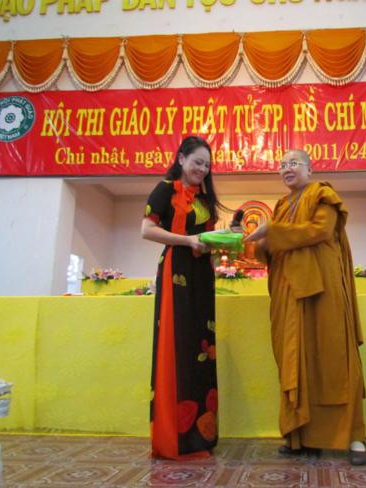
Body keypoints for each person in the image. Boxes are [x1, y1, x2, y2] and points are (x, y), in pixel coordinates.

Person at [244, 149, 366, 465]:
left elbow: (321, 231)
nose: (286, 169)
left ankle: (354, 438)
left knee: (334, 358)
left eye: (293, 164)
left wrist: (271, 232)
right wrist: (256, 243)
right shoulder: (281, 205)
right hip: (288, 291)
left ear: (310, 169)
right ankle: (302, 437)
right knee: (293, 358)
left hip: (322, 289)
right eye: (282, 165)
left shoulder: (322, 194)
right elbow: (273, 249)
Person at [141, 136, 220, 460]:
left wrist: (220, 242)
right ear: (181, 158)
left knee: (201, 349)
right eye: (197, 162)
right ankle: (173, 437)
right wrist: (188, 241)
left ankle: (199, 437)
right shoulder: (165, 189)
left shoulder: (204, 198)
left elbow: (206, 237)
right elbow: (147, 230)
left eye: (207, 165)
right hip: (176, 272)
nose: (202, 169)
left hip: (202, 275)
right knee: (177, 346)